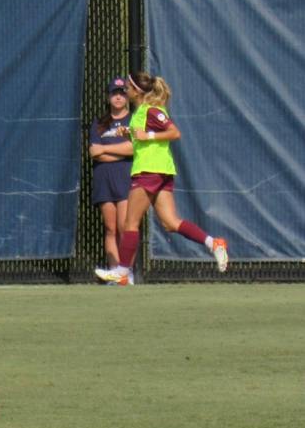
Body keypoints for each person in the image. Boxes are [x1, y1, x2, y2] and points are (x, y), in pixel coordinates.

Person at [95, 72, 229, 285]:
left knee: (130, 223)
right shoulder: (139, 113)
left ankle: (122, 271)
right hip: (159, 171)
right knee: (170, 223)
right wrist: (129, 133)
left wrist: (146, 136)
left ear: (137, 91)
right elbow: (143, 137)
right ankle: (214, 243)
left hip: (150, 171)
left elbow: (174, 133)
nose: (125, 91)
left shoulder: (151, 111)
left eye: (128, 87)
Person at [89, 78, 135, 283]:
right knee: (110, 229)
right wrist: (120, 152)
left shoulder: (134, 120)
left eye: (122, 93)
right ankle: (113, 272)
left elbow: (133, 149)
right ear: (108, 97)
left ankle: (126, 273)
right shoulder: (99, 123)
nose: (118, 96)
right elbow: (94, 152)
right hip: (103, 179)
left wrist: (106, 149)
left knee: (125, 227)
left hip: (126, 178)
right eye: (114, 93)